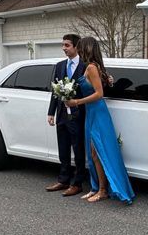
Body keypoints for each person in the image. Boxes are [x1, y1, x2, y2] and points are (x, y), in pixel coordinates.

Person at [65, 37, 135, 204]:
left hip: (98, 112)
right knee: (93, 153)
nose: (79, 51)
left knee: (98, 152)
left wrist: (76, 102)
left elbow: (99, 94)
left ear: (86, 49)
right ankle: (96, 187)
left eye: (81, 48)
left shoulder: (91, 67)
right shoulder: (93, 67)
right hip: (92, 113)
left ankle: (103, 190)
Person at [46, 34, 86, 197]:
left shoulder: (85, 65)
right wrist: (51, 112)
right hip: (62, 114)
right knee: (63, 147)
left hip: (78, 114)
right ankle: (63, 180)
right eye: (63, 45)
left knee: (78, 149)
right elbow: (55, 91)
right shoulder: (60, 65)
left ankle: (77, 183)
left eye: (67, 45)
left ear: (76, 47)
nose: (64, 48)